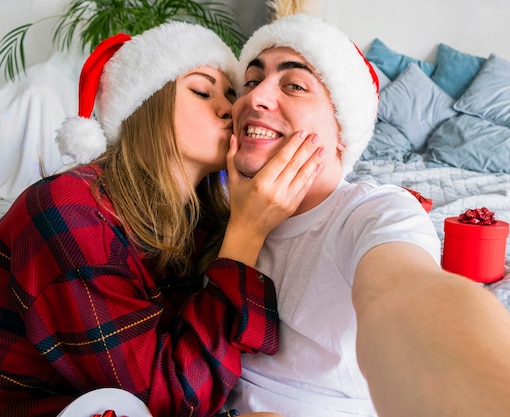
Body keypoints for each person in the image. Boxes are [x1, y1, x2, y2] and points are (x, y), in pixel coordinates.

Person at [223, 13, 510, 417]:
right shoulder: (214, 204)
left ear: (342, 131)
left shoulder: (374, 212)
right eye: (251, 81)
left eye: (294, 85)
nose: (255, 98)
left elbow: (407, 295)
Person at [0, 21, 323, 417]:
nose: (229, 108)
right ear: (145, 105)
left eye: (231, 94)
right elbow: (169, 401)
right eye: (202, 91)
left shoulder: (201, 220)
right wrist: (246, 233)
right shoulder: (67, 208)